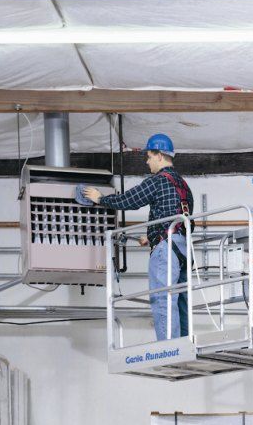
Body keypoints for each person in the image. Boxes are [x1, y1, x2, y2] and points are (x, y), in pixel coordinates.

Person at [83, 134, 194, 342]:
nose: (147, 161)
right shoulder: (183, 185)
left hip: (166, 250)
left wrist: (100, 199)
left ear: (159, 156)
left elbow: (130, 200)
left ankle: (168, 349)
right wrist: (152, 237)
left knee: (163, 298)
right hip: (184, 249)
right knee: (181, 301)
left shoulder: (158, 180)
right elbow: (176, 218)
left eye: (149, 156)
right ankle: (183, 345)